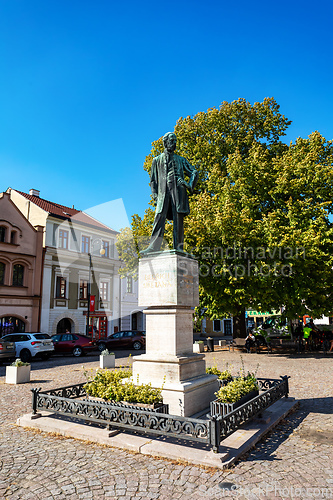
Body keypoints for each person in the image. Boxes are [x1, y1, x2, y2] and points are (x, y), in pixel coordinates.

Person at [141, 132, 198, 254]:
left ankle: (179, 247)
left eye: (175, 141)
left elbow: (194, 172)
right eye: (172, 141)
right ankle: (154, 246)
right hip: (163, 194)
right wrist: (155, 195)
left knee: (178, 220)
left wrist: (188, 185)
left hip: (178, 192)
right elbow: (153, 181)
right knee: (159, 216)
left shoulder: (181, 160)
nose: (174, 143)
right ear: (165, 142)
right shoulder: (156, 160)